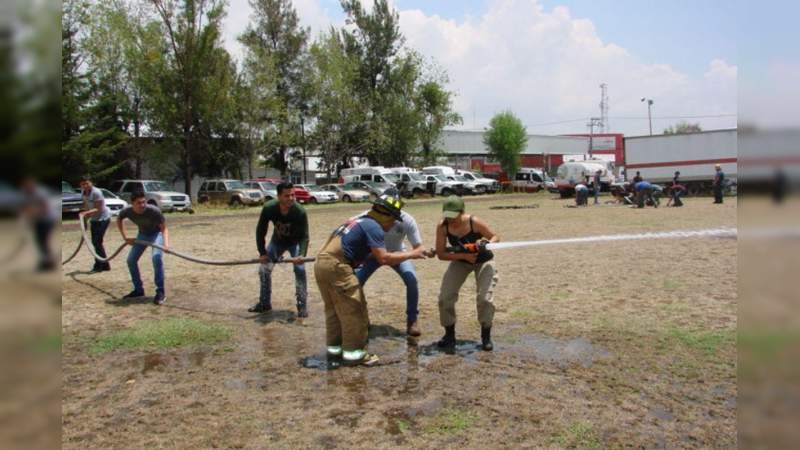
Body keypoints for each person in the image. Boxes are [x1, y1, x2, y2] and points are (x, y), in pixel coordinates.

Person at [315, 194, 426, 366]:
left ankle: (334, 351)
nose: (393, 225)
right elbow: (383, 258)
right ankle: (355, 355)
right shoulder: (373, 226)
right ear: (386, 216)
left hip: (322, 263)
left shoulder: (356, 221)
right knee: (355, 310)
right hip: (338, 266)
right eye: (393, 221)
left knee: (334, 311)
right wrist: (414, 254)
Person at [354, 189, 434, 336]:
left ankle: (412, 319)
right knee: (355, 282)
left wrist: (423, 251)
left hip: (397, 253)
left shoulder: (407, 220)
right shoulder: (367, 217)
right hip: (372, 255)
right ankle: (361, 319)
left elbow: (418, 246)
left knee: (411, 280)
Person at [435, 195, 500, 352]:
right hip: (460, 261)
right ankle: (449, 336)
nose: (451, 220)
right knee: (445, 297)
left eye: (454, 217)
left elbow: (495, 236)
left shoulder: (474, 222)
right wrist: (463, 256)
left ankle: (486, 336)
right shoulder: (442, 226)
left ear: (462, 212)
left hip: (484, 261)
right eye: (448, 216)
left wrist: (487, 244)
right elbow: (441, 254)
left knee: (485, 299)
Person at [250, 182, 310, 317]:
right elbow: (261, 231)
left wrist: (301, 255)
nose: (291, 198)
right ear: (278, 196)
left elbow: (304, 237)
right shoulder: (269, 208)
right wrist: (262, 253)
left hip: (295, 243)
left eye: (293, 195)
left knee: (300, 270)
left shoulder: (299, 211)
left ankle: (302, 306)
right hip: (277, 242)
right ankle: (264, 304)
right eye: (287, 196)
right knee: (264, 269)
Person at [117, 191, 169, 305]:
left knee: (156, 258)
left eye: (143, 202)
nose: (142, 205)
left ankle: (160, 292)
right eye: (139, 203)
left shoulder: (154, 211)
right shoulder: (127, 211)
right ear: (132, 203)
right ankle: (138, 290)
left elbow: (164, 228)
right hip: (143, 234)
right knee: (131, 260)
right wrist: (125, 237)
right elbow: (119, 219)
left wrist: (165, 244)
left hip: (156, 234)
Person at [20, 178, 57, 271]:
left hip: (47, 220)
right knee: (40, 242)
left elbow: (45, 208)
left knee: (43, 241)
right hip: (38, 220)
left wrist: (33, 213)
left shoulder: (40, 193)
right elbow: (26, 207)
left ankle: (48, 262)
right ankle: (46, 261)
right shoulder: (28, 194)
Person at [79, 175, 111, 273]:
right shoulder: (83, 193)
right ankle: (105, 265)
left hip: (103, 219)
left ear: (91, 183)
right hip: (94, 219)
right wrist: (85, 215)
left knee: (97, 242)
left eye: (87, 183)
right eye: (83, 184)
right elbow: (86, 205)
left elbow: (99, 209)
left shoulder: (96, 192)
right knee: (96, 243)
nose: (85, 185)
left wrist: (86, 213)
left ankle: (98, 266)